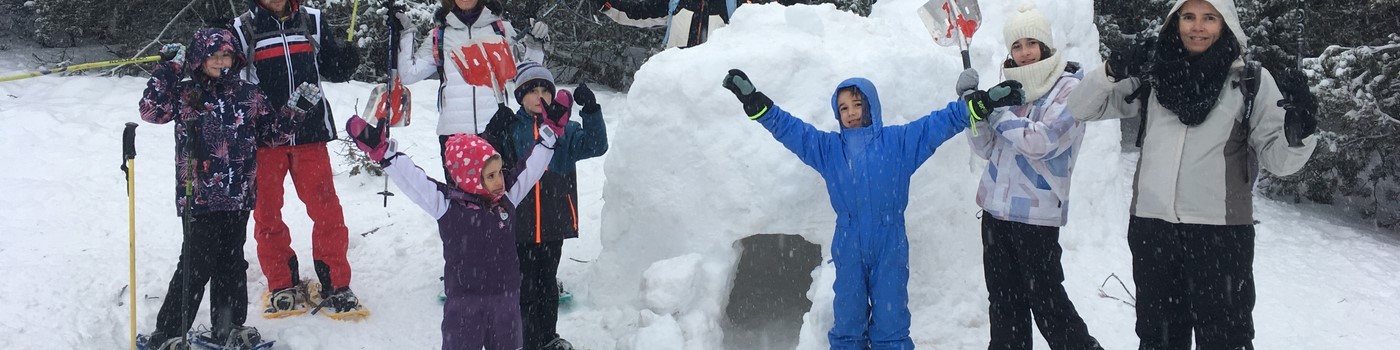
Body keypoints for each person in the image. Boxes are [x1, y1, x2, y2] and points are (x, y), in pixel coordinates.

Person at [1068, 0, 1319, 348]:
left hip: (1221, 236)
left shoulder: (1250, 82)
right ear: (1176, 21)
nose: (1197, 27)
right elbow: (1081, 107)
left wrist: (1300, 132)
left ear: (1225, 23)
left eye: (1209, 18)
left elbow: (1280, 160)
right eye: (1188, 17)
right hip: (1152, 230)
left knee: (1225, 339)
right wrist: (1110, 70)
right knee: (1159, 339)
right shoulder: (1156, 75)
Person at [722, 69, 1024, 349]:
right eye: (843, 108)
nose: (851, 113)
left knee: (891, 317)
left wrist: (980, 103)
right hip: (849, 241)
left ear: (871, 105)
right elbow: (792, 130)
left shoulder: (898, 142)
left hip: (889, 240)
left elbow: (938, 124)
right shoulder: (828, 149)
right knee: (848, 315)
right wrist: (756, 103)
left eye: (857, 104)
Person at [344, 92, 569, 350]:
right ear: (471, 178)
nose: (499, 181)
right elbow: (415, 182)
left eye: (499, 173)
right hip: (464, 304)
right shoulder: (447, 206)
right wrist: (384, 153)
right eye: (491, 176)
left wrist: (549, 133)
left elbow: (531, 167)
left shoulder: (507, 198)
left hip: (505, 300)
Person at [137, 28, 315, 350]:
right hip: (199, 195)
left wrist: (295, 110)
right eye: (214, 56)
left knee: (232, 264)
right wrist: (168, 69)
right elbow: (151, 111)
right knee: (196, 263)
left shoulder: (249, 94)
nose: (221, 62)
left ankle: (228, 327)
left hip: (238, 195)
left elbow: (271, 135)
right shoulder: (186, 93)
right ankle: (170, 333)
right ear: (200, 58)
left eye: (227, 55)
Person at [961, 3, 1102, 350]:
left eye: (1031, 44)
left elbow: (1042, 141)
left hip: (1036, 217)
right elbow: (986, 148)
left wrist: (994, 112)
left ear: (1045, 46)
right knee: (1005, 305)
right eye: (1017, 46)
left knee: (1048, 304)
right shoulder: (1008, 88)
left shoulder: (1071, 89)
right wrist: (972, 108)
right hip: (996, 214)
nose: (1024, 54)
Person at [229, 0, 365, 319]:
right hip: (264, 140)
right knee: (267, 213)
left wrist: (344, 61)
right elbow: (228, 80)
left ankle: (336, 283)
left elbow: (330, 68)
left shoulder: (312, 20)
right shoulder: (242, 28)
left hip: (310, 133)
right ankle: (281, 283)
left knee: (326, 208)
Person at [499, 62, 609, 350]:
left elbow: (597, 145)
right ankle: (524, 339)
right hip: (519, 221)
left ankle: (547, 337)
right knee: (524, 286)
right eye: (531, 90)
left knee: (547, 284)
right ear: (520, 96)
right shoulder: (511, 127)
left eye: (544, 90)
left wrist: (591, 111)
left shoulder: (568, 129)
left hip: (554, 219)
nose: (539, 96)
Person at [389, 0, 549, 183]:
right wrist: (405, 32)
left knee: (500, 203)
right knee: (461, 206)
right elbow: (409, 74)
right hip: (455, 137)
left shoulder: (500, 29)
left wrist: (535, 46)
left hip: (496, 132)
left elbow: (527, 74)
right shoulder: (439, 35)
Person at [594, 0, 746, 49]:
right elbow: (639, 13)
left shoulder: (735, 4)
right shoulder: (676, 1)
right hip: (675, 79)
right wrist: (608, 5)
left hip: (713, 84)